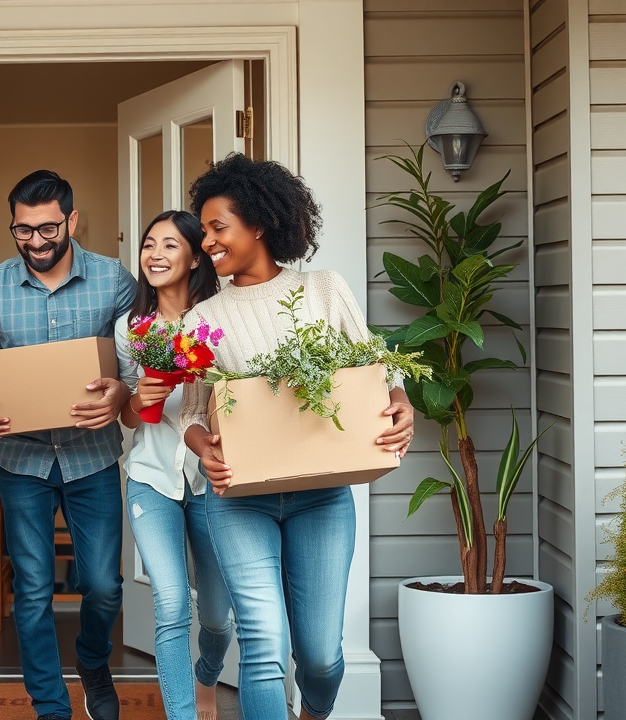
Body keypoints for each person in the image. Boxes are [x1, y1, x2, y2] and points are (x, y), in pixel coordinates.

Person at [177, 154, 415, 720]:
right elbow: (191, 409)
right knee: (262, 646)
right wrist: (200, 443)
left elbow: (374, 374)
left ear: (258, 223)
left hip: (322, 497)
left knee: (321, 657)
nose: (206, 242)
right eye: (203, 231)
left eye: (218, 228)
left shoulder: (324, 290)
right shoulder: (198, 320)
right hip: (238, 500)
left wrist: (400, 401)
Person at [0, 170, 137, 720]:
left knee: (103, 584)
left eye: (48, 228)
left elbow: (134, 361)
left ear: (72, 220)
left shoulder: (115, 281)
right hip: (21, 459)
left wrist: (120, 388)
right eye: (23, 230)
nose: (36, 241)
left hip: (93, 457)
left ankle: (93, 662)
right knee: (31, 590)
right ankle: (50, 707)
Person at [115, 210, 231, 720]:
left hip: (213, 484)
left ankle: (206, 676)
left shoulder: (221, 318)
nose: (154, 255)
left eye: (168, 245)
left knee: (216, 618)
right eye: (147, 245)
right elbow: (127, 415)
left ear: (194, 256)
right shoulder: (130, 329)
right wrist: (139, 396)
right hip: (151, 478)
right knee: (170, 606)